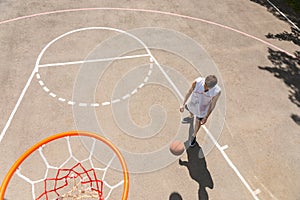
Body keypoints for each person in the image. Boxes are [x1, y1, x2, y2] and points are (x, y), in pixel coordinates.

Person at [180, 75, 221, 147]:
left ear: (212, 87)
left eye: (207, 87)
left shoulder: (217, 91)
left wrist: (206, 117)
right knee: (190, 110)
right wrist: (183, 104)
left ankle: (194, 135)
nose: (205, 87)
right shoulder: (197, 82)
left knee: (198, 122)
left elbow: (212, 104)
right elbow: (189, 91)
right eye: (205, 84)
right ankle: (191, 116)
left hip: (203, 108)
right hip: (193, 102)